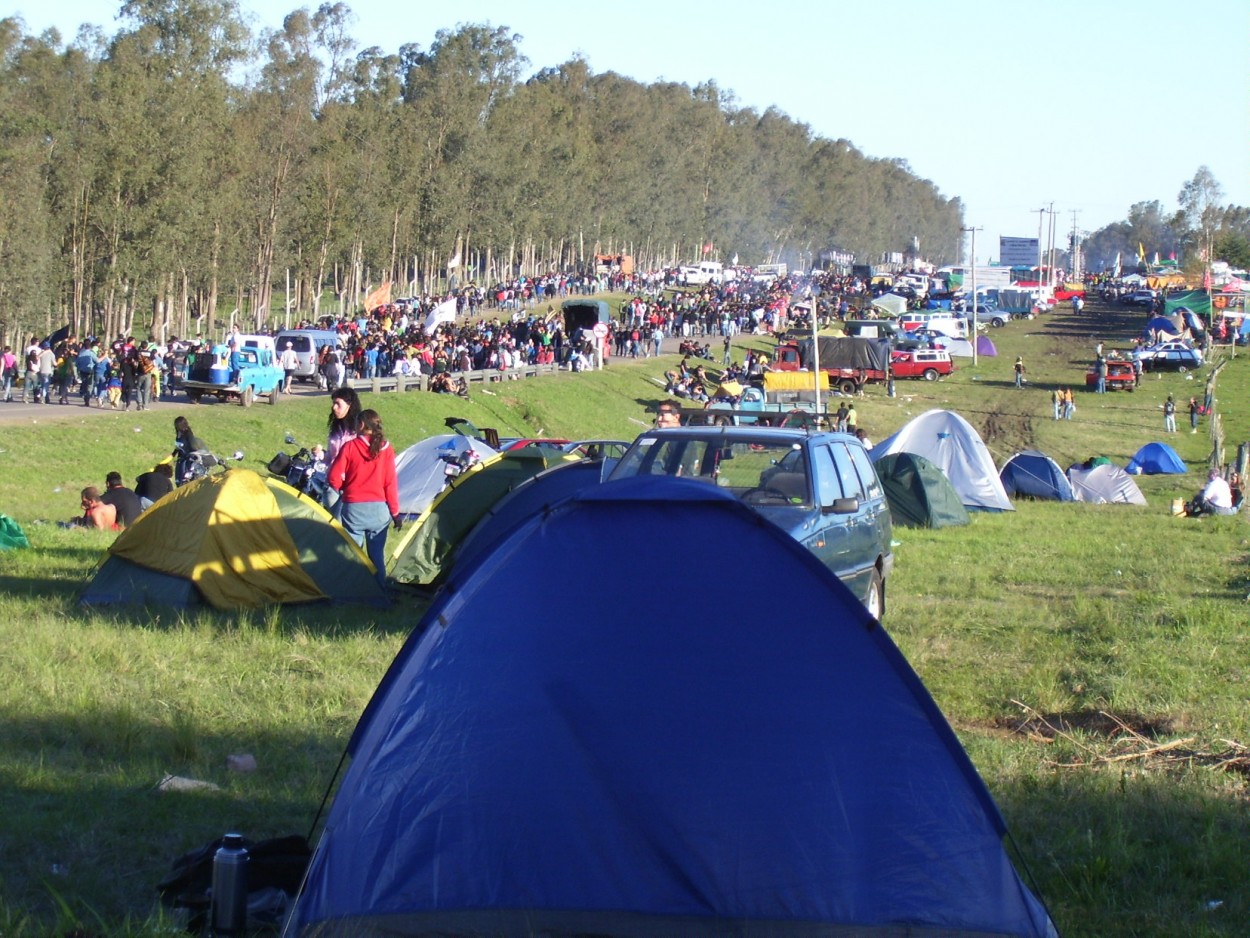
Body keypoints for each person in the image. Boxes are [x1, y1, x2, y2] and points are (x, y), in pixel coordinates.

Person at [326, 409, 400, 588]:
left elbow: (333, 477)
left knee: (352, 555)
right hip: (380, 511)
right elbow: (390, 483)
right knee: (377, 556)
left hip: (354, 509)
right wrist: (395, 513)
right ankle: (380, 592)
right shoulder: (387, 449)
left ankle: (352, 591)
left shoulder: (350, 447)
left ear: (361, 425)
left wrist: (345, 487)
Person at [172, 415, 213, 485]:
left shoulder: (188, 432)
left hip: (187, 459)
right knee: (179, 479)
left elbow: (192, 445)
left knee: (183, 479)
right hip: (181, 458)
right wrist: (174, 454)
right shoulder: (179, 433)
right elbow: (178, 446)